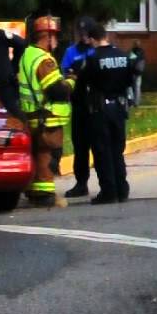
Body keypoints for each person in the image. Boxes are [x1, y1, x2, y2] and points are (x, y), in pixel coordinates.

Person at [16, 15, 74, 207]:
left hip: (34, 116)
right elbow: (56, 90)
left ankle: (34, 190)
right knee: (47, 156)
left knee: (38, 153)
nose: (56, 41)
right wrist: (72, 81)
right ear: (47, 37)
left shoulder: (28, 55)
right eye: (54, 36)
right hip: (47, 118)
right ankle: (44, 195)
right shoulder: (44, 60)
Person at [75, 21, 133, 205]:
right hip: (119, 108)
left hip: (100, 109)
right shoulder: (123, 56)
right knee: (118, 150)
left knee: (102, 151)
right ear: (105, 36)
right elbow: (129, 81)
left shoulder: (92, 60)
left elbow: (81, 84)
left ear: (91, 39)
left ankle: (109, 191)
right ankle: (122, 189)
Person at [61, 18, 97, 196]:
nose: (84, 37)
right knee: (80, 146)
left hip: (96, 105)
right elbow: (66, 73)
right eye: (81, 33)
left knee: (99, 146)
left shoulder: (96, 50)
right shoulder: (71, 51)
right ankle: (81, 183)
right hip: (79, 105)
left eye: (87, 33)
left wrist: (80, 73)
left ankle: (107, 182)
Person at [128, 41, 146, 107]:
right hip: (139, 72)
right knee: (137, 87)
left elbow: (131, 62)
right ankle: (137, 102)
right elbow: (143, 62)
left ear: (134, 45)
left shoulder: (132, 51)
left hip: (133, 72)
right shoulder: (142, 52)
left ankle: (132, 101)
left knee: (131, 87)